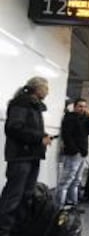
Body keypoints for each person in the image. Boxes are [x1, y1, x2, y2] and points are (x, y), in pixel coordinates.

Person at [0, 77, 52, 235]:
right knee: (13, 196)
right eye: (46, 88)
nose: (48, 91)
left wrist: (42, 136)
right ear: (37, 88)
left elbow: (27, 128)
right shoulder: (21, 103)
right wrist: (39, 138)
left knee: (26, 195)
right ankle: (3, 230)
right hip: (20, 157)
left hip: (31, 155)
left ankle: (18, 229)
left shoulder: (34, 105)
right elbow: (14, 128)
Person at [55, 98, 89, 211]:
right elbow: (67, 136)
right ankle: (59, 207)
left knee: (77, 180)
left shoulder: (85, 118)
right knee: (66, 180)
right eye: (80, 106)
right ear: (75, 107)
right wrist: (74, 150)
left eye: (84, 106)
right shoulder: (69, 118)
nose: (82, 109)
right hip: (74, 153)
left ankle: (73, 203)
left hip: (82, 153)